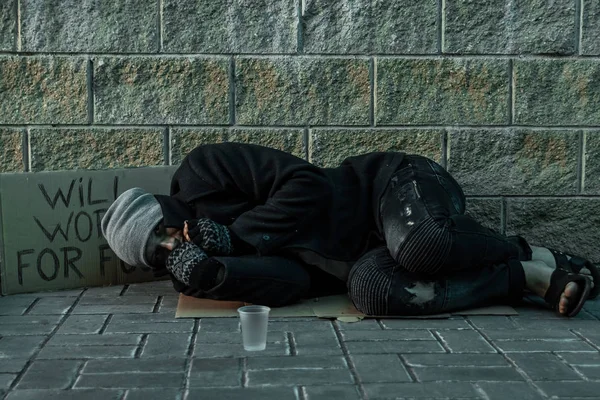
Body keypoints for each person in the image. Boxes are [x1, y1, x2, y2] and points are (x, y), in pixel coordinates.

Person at [101, 142, 599, 317]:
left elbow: (307, 183)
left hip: (388, 190)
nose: (173, 244)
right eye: (160, 254)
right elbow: (292, 283)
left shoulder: (204, 171)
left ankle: (526, 249)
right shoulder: (197, 269)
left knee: (420, 243)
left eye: (164, 232)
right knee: (372, 291)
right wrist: (218, 275)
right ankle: (523, 278)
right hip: (365, 257)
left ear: (165, 208)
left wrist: (235, 235)